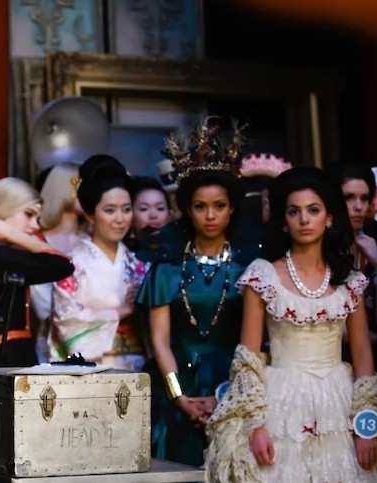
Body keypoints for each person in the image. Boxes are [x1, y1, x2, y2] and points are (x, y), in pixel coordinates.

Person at [205, 166, 377, 482]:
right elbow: (247, 358)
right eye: (294, 211)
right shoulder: (263, 275)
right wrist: (255, 425)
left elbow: (363, 355)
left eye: (313, 210)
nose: (304, 220)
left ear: (329, 217)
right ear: (284, 221)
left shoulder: (349, 280)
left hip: (338, 403)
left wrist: (366, 425)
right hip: (280, 403)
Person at [136, 118, 254, 466]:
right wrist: (179, 396)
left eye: (219, 205)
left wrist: (228, 395)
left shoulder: (249, 271)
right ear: (188, 210)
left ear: (232, 209)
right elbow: (159, 341)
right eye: (201, 206)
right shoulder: (166, 270)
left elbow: (254, 345)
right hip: (175, 381)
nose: (210, 215)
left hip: (233, 381)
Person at [50, 158, 149, 369]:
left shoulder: (141, 265)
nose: (120, 219)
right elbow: (67, 322)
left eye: (126, 209)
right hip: (92, 369)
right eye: (110, 210)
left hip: (139, 366)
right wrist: (121, 311)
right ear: (90, 214)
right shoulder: (72, 266)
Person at [0, 177, 74, 367]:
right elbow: (63, 264)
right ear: (4, 210)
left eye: (37, 219)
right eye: (28, 215)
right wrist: (10, 233)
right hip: (2, 359)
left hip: (6, 356)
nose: (36, 226)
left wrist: (10, 234)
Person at [29, 162, 88, 362]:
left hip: (97, 342)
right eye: (81, 185)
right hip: (49, 346)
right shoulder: (36, 240)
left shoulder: (94, 239)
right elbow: (43, 308)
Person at [333, 164, 377, 373]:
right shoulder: (320, 243)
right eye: (349, 198)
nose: (359, 206)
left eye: (364, 198)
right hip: (336, 356)